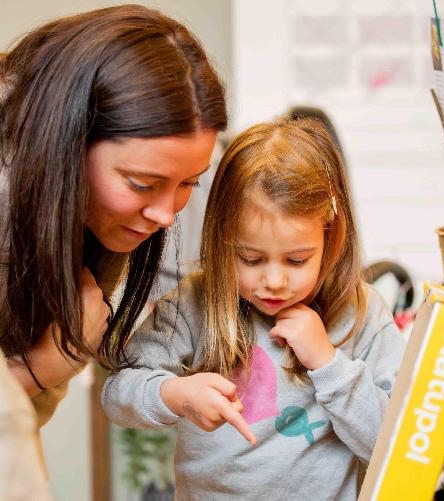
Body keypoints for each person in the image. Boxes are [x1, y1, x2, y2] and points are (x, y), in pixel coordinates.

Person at [103, 117, 407, 500]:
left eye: (296, 260)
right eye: (250, 259)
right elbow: (118, 393)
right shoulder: (193, 303)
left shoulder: (362, 313)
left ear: (331, 238)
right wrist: (175, 393)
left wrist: (329, 365)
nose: (274, 281)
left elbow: (398, 447)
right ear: (221, 240)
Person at [0, 3, 226, 467]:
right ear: (68, 140)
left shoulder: (97, 217)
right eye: (142, 184)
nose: (165, 214)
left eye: (188, 183)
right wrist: (37, 370)